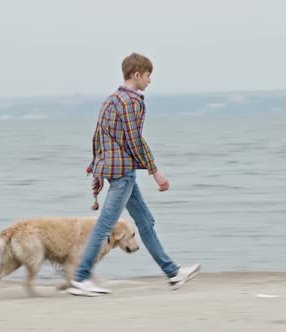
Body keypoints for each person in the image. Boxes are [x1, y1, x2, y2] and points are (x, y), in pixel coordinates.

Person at [67, 52, 200, 296]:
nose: (150, 81)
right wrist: (155, 171)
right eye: (148, 75)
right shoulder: (131, 102)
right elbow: (135, 141)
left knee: (145, 221)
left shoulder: (111, 100)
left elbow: (98, 137)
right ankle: (81, 277)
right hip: (123, 173)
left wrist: (98, 168)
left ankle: (172, 272)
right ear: (136, 75)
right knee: (106, 225)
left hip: (114, 169)